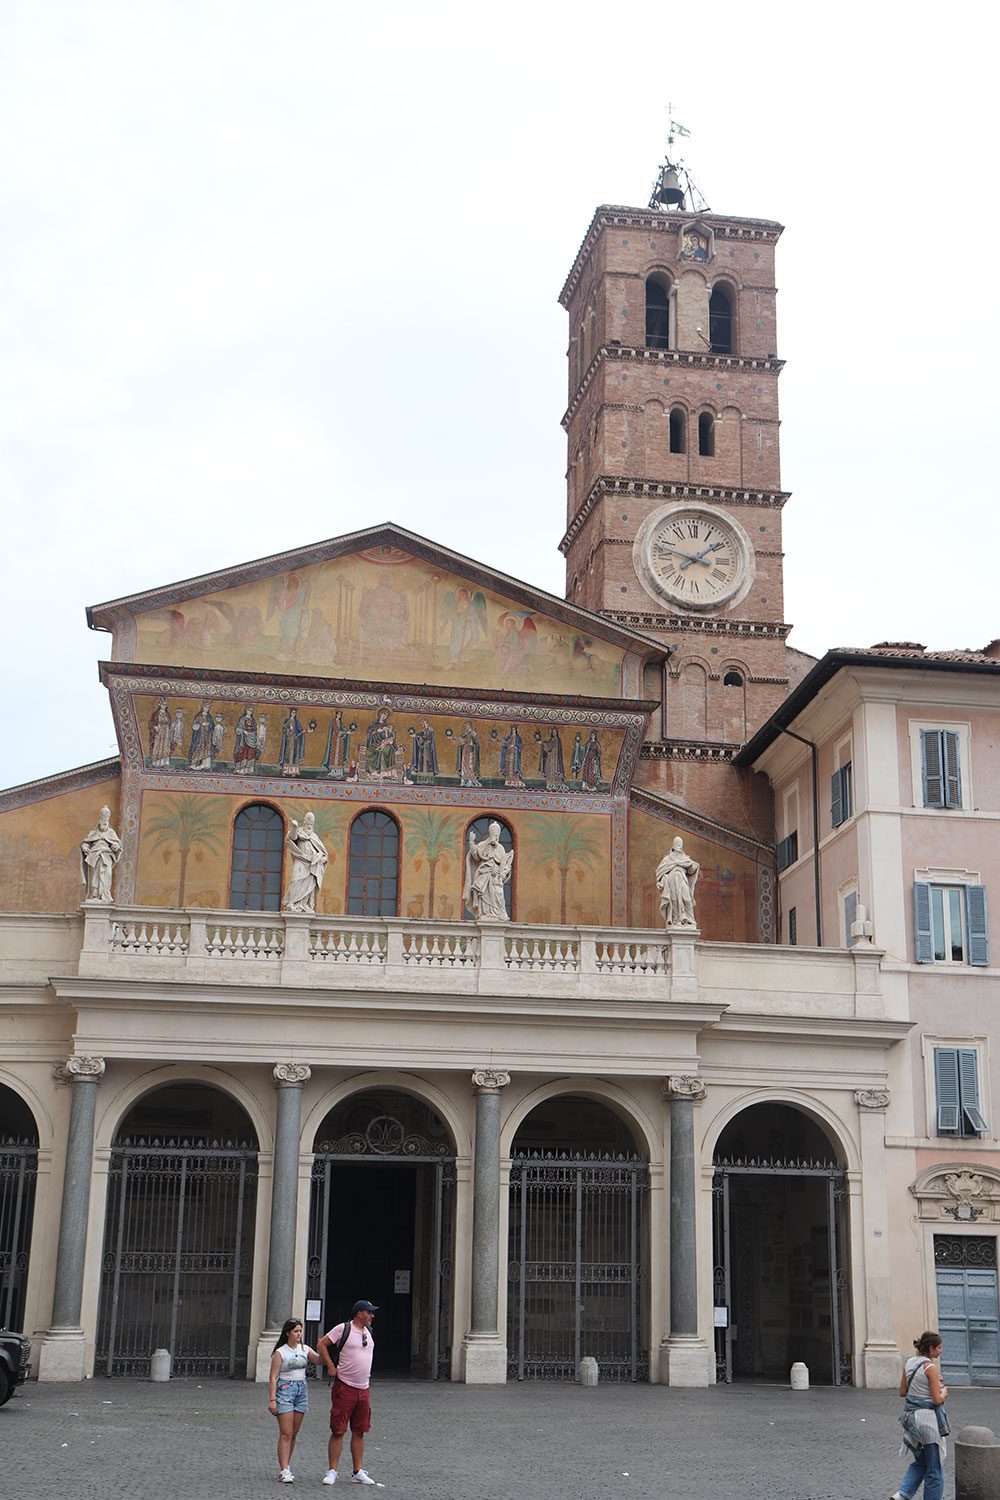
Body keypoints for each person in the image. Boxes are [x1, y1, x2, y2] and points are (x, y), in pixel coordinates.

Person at [318, 1300, 379, 1486]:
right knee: (338, 1429)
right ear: (359, 1313)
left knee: (360, 1430)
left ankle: (357, 1471)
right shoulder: (343, 1329)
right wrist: (330, 1366)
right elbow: (322, 1343)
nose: (372, 1316)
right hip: (345, 1386)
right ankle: (332, 1470)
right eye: (369, 1312)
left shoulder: (369, 1332)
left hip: (364, 1388)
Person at [893, 1331, 949, 1500]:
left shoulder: (909, 1362)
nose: (941, 1351)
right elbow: (937, 1399)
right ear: (931, 1349)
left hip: (911, 1421)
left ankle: (902, 1494)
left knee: (921, 1462)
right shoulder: (930, 1368)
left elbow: (903, 1392)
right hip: (928, 1423)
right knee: (935, 1468)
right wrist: (944, 1392)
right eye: (939, 1347)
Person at [267, 1317, 321, 1484]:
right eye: (296, 1331)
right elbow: (273, 1377)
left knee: (294, 1432)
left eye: (300, 1331)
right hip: (285, 1390)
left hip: (301, 1390)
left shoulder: (305, 1349)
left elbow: (319, 1360)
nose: (299, 1334)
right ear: (288, 1333)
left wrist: (325, 1347)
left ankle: (287, 1465)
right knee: (286, 1432)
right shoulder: (280, 1352)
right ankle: (284, 1470)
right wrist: (272, 1400)